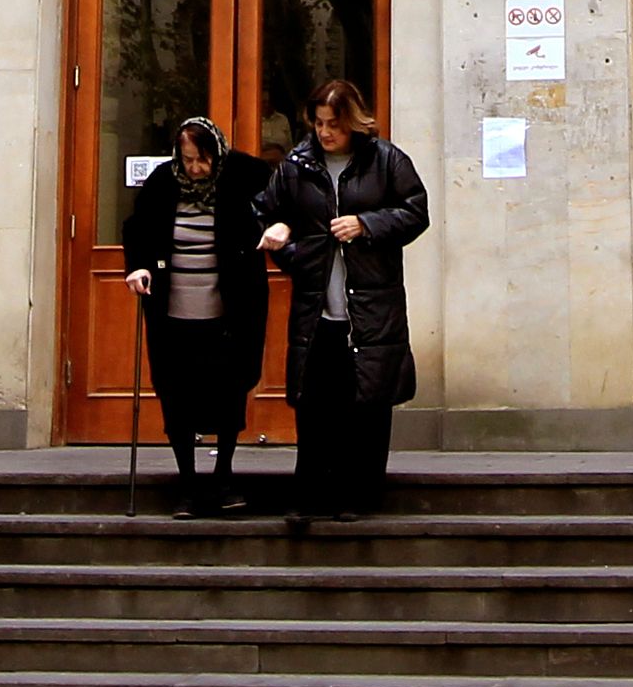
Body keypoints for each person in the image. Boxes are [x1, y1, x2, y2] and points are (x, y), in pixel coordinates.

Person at [254, 78, 425, 521]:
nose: (325, 132)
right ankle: (309, 496)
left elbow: (414, 211)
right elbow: (265, 212)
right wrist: (286, 245)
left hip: (371, 309)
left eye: (334, 124)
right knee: (314, 406)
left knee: (367, 406)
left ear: (353, 122)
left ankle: (359, 496)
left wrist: (366, 225)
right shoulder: (297, 164)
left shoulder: (386, 161)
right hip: (318, 309)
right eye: (319, 123)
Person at [120, 117, 270, 516]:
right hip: (174, 312)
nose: (195, 169)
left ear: (217, 152)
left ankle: (224, 477)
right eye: (188, 160)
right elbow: (136, 229)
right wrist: (137, 266)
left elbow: (282, 192)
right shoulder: (162, 182)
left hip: (228, 313)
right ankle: (187, 483)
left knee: (229, 392)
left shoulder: (242, 174)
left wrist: (278, 227)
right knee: (176, 394)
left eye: (202, 160)